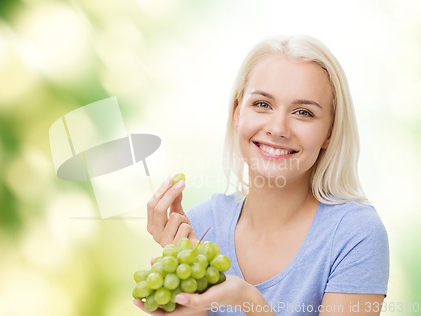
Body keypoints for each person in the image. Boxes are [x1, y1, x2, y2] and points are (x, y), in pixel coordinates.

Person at [137, 35, 389, 315]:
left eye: (303, 112)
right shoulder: (199, 226)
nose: (278, 128)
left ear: (329, 132)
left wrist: (248, 299)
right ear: (237, 112)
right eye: (262, 105)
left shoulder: (355, 234)